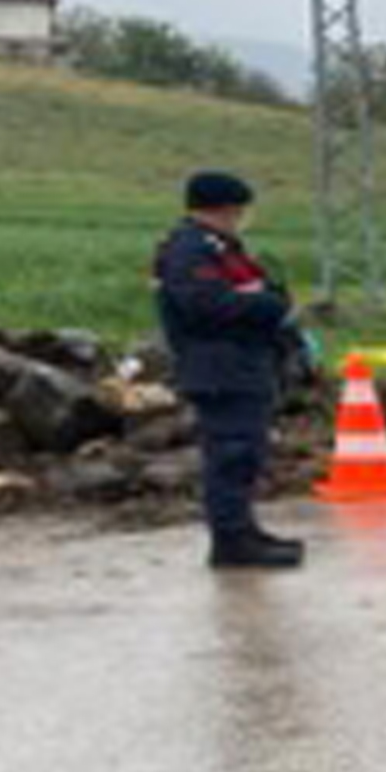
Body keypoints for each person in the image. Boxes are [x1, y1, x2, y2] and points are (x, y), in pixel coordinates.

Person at [153, 171, 308, 571]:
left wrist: (271, 301)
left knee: (246, 453)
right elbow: (206, 305)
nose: (241, 217)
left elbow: (253, 288)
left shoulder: (222, 248)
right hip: (218, 366)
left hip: (242, 362)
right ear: (223, 208)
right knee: (230, 453)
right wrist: (269, 308)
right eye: (238, 210)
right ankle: (231, 542)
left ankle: (243, 530)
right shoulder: (191, 250)